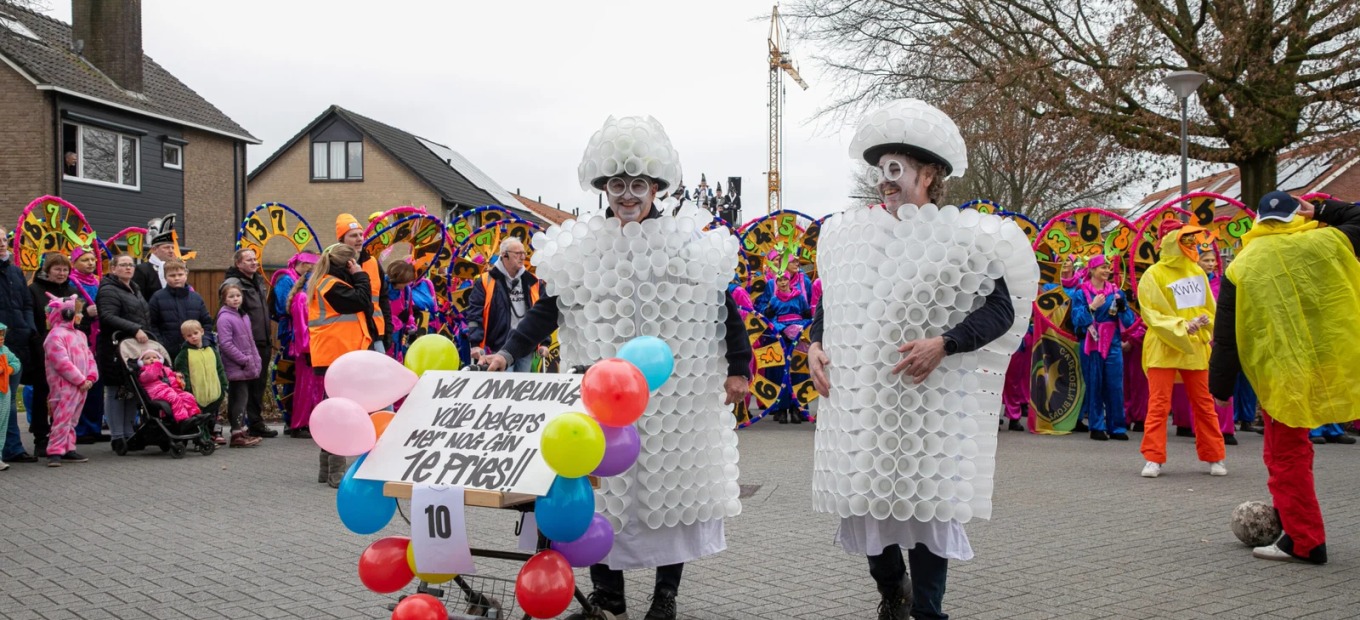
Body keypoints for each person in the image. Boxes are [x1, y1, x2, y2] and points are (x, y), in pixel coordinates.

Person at [485, 115, 752, 620]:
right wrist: (505, 350)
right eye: (616, 185)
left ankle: (664, 597)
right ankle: (609, 596)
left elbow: (724, 309)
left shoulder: (686, 244)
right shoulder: (584, 248)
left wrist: (738, 367)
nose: (626, 195)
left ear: (655, 187)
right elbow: (549, 309)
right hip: (599, 395)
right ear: (604, 188)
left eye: (637, 185)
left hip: (673, 399)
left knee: (672, 492)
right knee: (600, 494)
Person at [807, 98, 1034, 620]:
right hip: (867, 409)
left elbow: (1000, 309)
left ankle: (930, 612)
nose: (886, 180)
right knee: (863, 507)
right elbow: (832, 302)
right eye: (881, 169)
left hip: (932, 407)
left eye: (897, 168)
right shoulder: (853, 237)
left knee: (928, 512)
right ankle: (893, 590)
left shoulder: (963, 239)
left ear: (929, 174)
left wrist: (946, 342)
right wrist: (816, 343)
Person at [1209, 192, 1360, 564]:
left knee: (1286, 456)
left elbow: (1226, 334)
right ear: (1298, 215)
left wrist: (1221, 388)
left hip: (1283, 373)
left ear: (1257, 221)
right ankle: (1301, 534)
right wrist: (1325, 209)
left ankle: (1305, 541)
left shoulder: (1242, 264)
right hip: (1335, 361)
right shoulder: (1326, 240)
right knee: (1295, 453)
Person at [1136, 221, 1226, 478]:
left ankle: (1215, 455)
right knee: (1158, 405)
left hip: (1193, 347)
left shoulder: (1196, 272)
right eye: (1185, 240)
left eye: (1191, 240)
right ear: (1172, 242)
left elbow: (1208, 307)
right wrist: (1181, 326)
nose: (1191, 245)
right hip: (1164, 347)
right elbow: (1151, 313)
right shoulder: (1153, 274)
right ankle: (1153, 458)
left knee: (1204, 404)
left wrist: (1205, 323)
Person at [306, 243, 374, 487]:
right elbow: (362, 301)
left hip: (332, 355)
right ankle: (336, 473)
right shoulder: (332, 286)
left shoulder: (324, 282)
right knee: (340, 415)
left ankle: (327, 471)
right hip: (339, 357)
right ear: (348, 264)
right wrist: (361, 276)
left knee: (334, 412)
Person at [1068, 254, 1136, 441]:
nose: (1107, 271)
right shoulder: (1081, 292)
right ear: (1092, 270)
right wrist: (1092, 306)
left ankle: (1117, 427)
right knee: (1094, 383)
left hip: (1112, 342)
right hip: (1090, 342)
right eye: (1102, 267)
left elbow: (1129, 321)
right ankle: (1097, 425)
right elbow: (1077, 319)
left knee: (1115, 384)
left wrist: (1123, 308)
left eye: (1108, 267)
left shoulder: (1116, 292)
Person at [95, 254, 153, 455]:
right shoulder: (109, 289)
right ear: (113, 268)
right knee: (115, 391)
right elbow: (108, 316)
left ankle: (129, 433)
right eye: (124, 265)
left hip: (132, 347)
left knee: (131, 391)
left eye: (131, 265)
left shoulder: (134, 288)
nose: (128, 268)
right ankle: (117, 436)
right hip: (114, 347)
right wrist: (135, 328)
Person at [25, 253, 80, 457]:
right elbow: (32, 319)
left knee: (65, 397)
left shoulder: (72, 291)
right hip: (44, 350)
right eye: (57, 269)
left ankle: (64, 439)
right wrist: (39, 345)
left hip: (68, 351)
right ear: (47, 270)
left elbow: (77, 320)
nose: (61, 273)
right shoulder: (34, 291)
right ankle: (41, 437)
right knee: (43, 394)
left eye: (65, 269)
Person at [467, 238, 546, 372]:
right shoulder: (486, 280)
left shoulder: (533, 281)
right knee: (503, 388)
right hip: (500, 345)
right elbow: (475, 314)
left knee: (522, 386)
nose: (522, 257)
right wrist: (475, 344)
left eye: (524, 253)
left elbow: (543, 313)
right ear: (504, 255)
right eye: (517, 254)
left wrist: (544, 343)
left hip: (526, 344)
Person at [223, 249, 277, 438]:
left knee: (259, 385)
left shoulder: (258, 280)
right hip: (246, 343)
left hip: (263, 341)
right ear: (238, 264)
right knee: (243, 387)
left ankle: (255, 422)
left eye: (255, 259)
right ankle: (240, 427)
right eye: (249, 260)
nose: (254, 263)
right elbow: (233, 313)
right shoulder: (233, 284)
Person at [42, 294, 96, 466]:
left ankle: (68, 447)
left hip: (81, 386)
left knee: (72, 419)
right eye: (77, 313)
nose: (80, 316)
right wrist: (80, 380)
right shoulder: (55, 336)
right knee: (61, 419)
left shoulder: (80, 335)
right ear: (67, 314)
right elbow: (62, 363)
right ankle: (54, 451)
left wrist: (91, 376)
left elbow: (89, 357)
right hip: (63, 387)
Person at [268, 251, 317, 435]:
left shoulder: (301, 282)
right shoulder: (286, 279)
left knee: (301, 378)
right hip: (292, 333)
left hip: (302, 333)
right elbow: (284, 307)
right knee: (291, 376)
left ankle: (299, 418)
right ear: (304, 265)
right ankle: (292, 419)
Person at [0, 226, 38, 465]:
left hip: (18, 342)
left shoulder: (15, 272)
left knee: (11, 398)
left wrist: (29, 327)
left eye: (3, 239)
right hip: (2, 343)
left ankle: (12, 448)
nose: (2, 244)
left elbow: (26, 303)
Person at [760, 270, 812, 424]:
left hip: (798, 336)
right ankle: (781, 410)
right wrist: (780, 329)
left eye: (785, 280)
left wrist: (799, 328)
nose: (782, 283)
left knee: (798, 372)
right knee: (781, 373)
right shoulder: (774, 300)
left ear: (790, 281)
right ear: (776, 283)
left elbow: (807, 315)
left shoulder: (799, 297)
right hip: (782, 337)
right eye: (779, 280)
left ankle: (797, 409)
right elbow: (769, 317)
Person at [337, 214, 392, 355]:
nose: (359, 239)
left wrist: (388, 330)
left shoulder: (373, 262)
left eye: (361, 234)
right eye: (353, 235)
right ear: (341, 240)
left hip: (376, 333)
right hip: (349, 337)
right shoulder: (336, 265)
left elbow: (383, 299)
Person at [217, 280, 263, 448]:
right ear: (224, 299)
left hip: (246, 364)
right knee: (239, 399)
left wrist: (254, 359)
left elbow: (249, 341)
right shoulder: (225, 318)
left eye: (238, 296)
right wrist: (244, 360)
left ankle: (241, 430)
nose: (235, 299)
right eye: (231, 296)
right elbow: (226, 344)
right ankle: (237, 433)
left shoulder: (242, 315)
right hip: (238, 365)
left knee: (242, 398)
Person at [69, 245, 107, 443]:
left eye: (93, 259)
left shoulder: (98, 282)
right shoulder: (71, 283)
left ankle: (94, 426)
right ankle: (80, 428)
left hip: (98, 338)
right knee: (82, 382)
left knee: (97, 382)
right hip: (81, 339)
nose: (91, 263)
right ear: (74, 263)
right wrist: (85, 314)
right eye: (85, 260)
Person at [173, 320, 228, 446]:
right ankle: (202, 440)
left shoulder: (211, 351)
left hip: (214, 392)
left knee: (208, 416)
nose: (193, 337)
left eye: (195, 333)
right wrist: (187, 392)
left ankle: (206, 437)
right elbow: (183, 375)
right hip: (195, 394)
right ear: (184, 337)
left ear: (202, 332)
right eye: (189, 335)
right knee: (199, 417)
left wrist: (223, 386)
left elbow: (219, 369)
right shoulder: (184, 354)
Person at [147, 259, 212, 359]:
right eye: (172, 275)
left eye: (180, 274)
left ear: (186, 275)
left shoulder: (196, 298)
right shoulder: (157, 298)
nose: (177, 278)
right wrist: (161, 345)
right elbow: (152, 325)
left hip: (195, 350)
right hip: (169, 351)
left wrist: (204, 341)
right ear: (165, 277)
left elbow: (206, 322)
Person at [384, 260, 437, 362]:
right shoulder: (382, 290)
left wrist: (411, 326)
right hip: (385, 337)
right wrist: (398, 321)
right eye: (406, 281)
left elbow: (409, 311)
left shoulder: (407, 290)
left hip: (399, 338)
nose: (409, 283)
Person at [136, 350, 200, 423]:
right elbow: (151, 375)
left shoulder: (165, 369)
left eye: (154, 357)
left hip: (170, 390)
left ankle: (194, 415)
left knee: (188, 396)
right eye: (147, 358)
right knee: (174, 397)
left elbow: (171, 375)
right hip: (157, 392)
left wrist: (177, 375)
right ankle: (182, 420)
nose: (152, 359)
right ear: (141, 363)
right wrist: (157, 365)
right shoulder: (144, 372)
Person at [132, 228, 178, 302]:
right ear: (154, 250)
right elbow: (137, 299)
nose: (171, 251)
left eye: (172, 248)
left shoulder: (174, 269)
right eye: (166, 247)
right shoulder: (141, 270)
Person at [0, 322, 21, 470]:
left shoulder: (4, 350)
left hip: (3, 395)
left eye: (2, 334)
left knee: (2, 425)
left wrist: (8, 368)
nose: (1, 338)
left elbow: (16, 362)